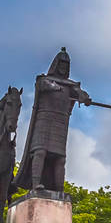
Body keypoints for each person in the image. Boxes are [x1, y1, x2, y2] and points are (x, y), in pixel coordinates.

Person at [14, 47, 90, 192]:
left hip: (60, 122)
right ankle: (36, 184)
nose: (63, 67)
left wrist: (84, 98)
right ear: (56, 64)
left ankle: (59, 189)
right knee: (40, 152)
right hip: (45, 119)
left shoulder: (71, 85)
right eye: (61, 64)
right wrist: (54, 87)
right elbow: (44, 85)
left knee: (60, 158)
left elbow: (80, 93)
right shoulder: (45, 80)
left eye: (65, 65)